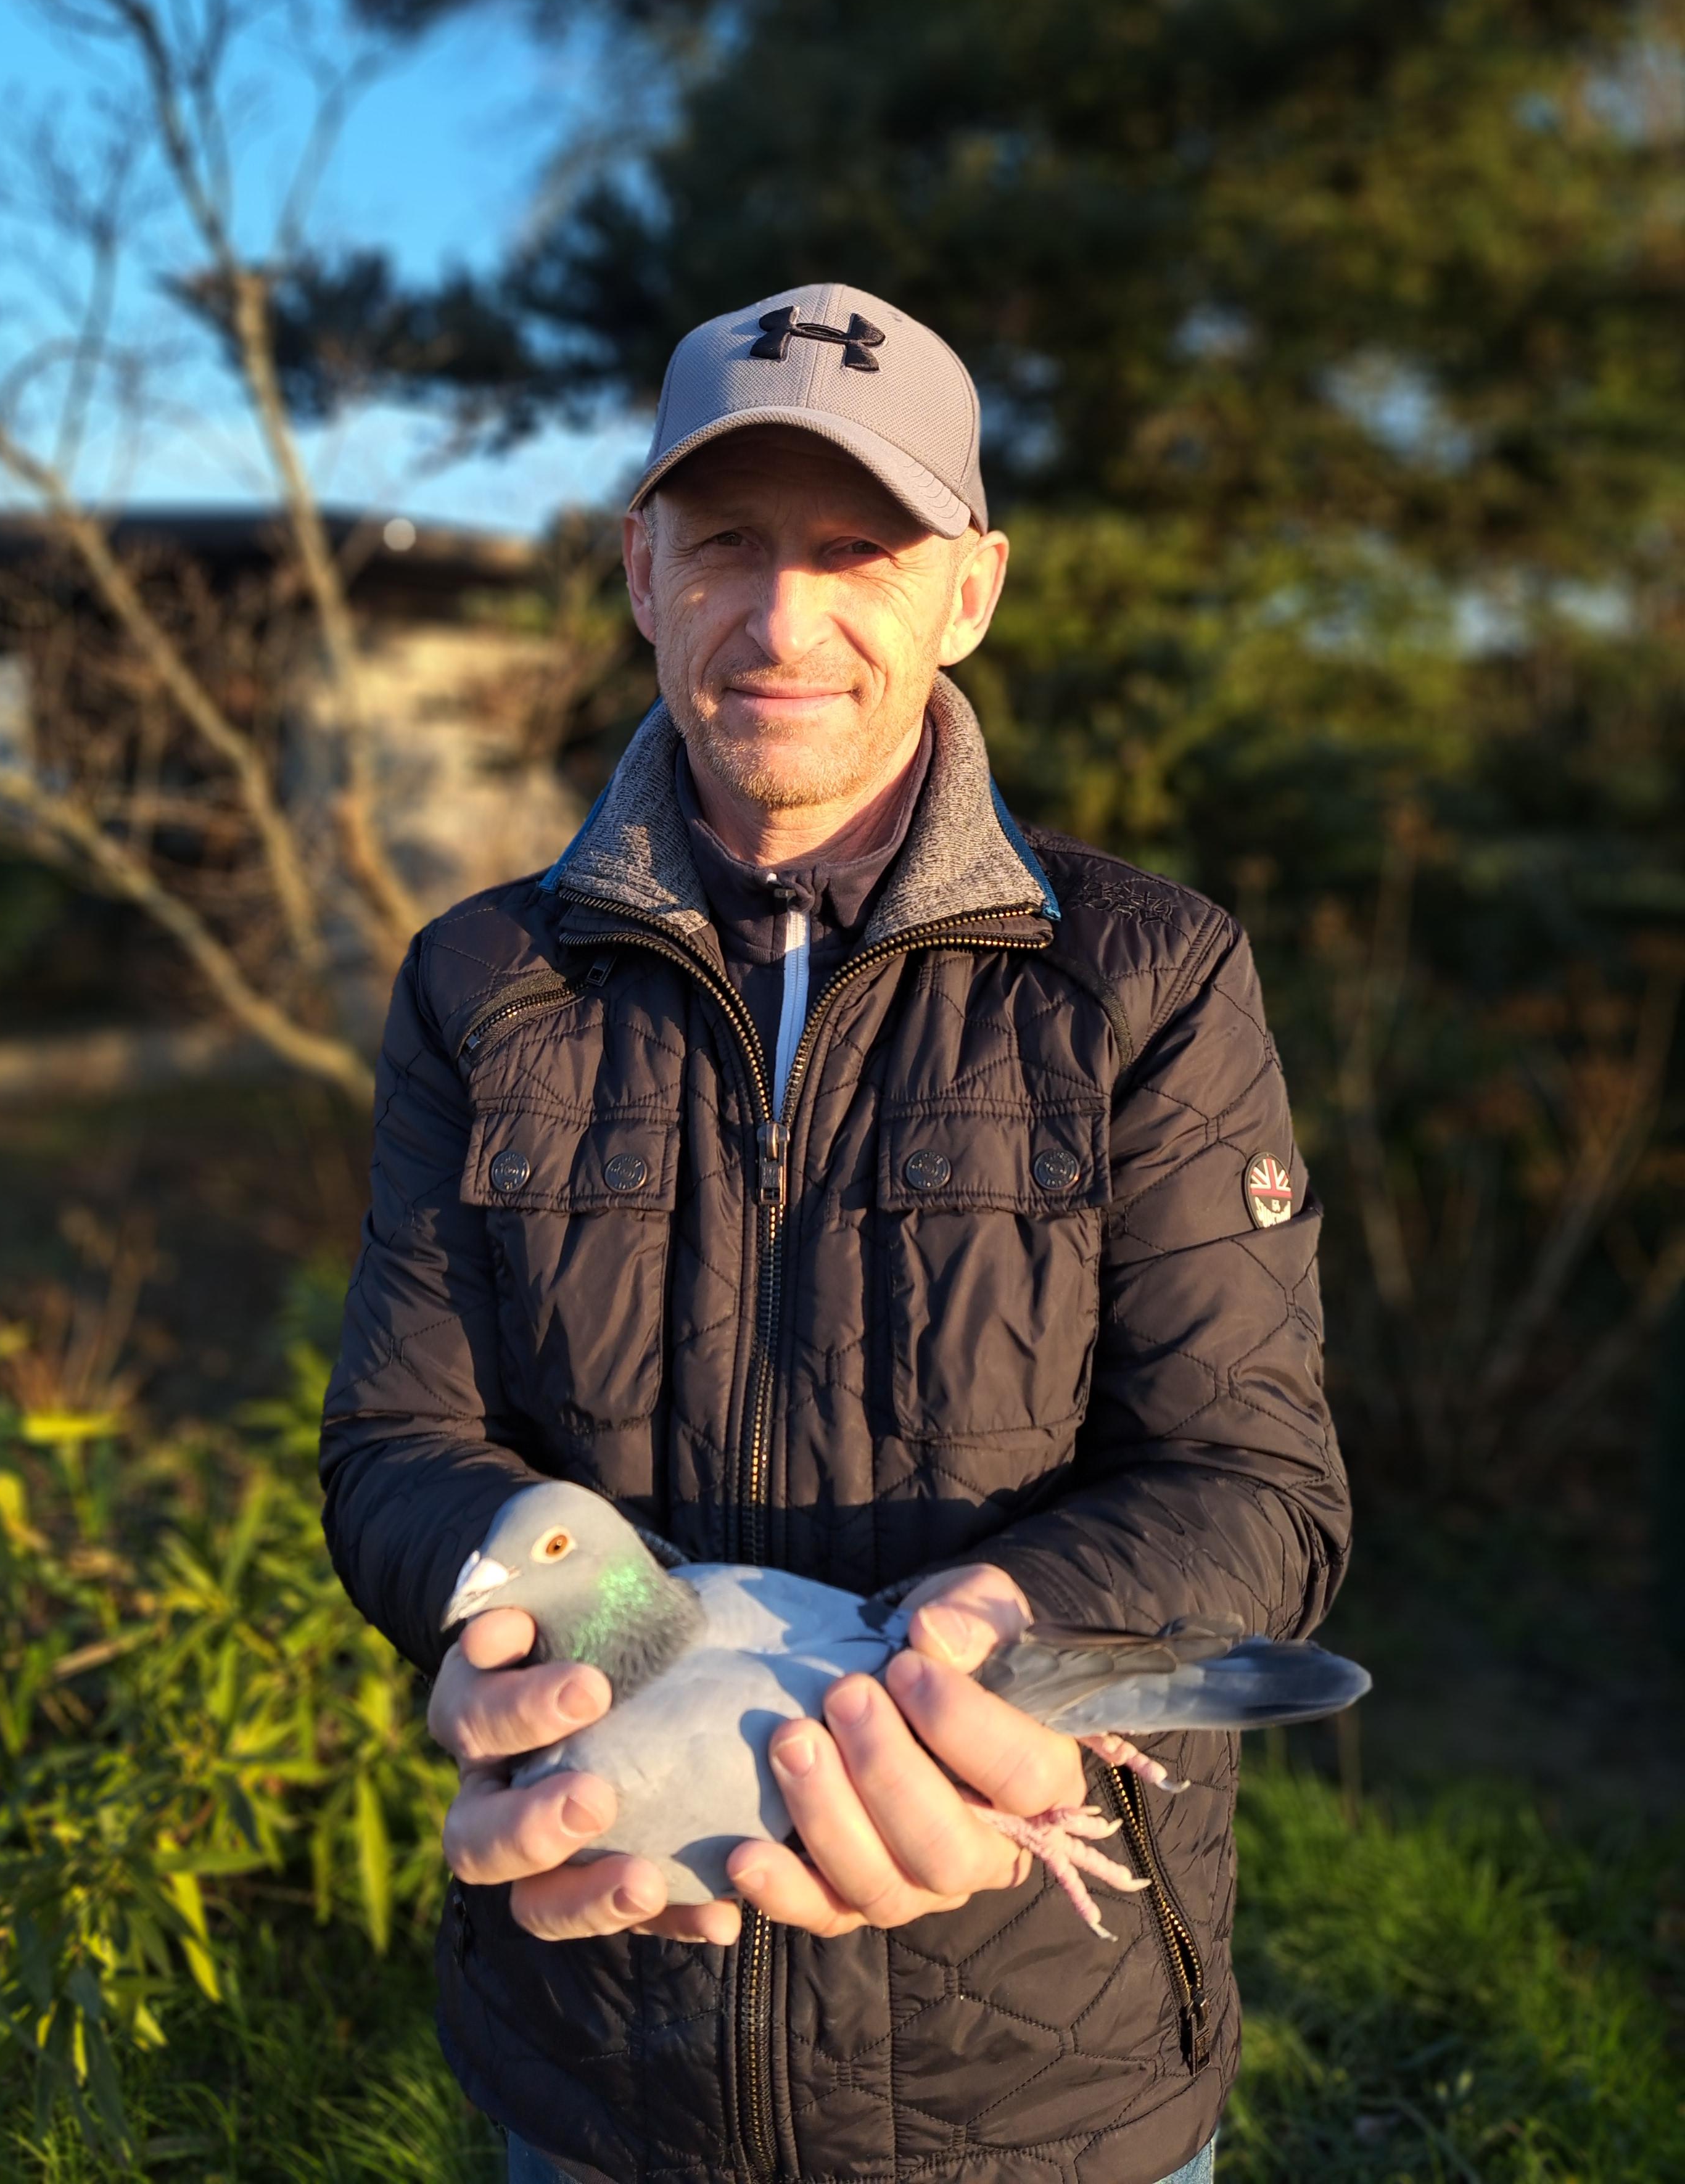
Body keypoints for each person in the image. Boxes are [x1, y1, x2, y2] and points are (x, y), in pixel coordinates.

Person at [320, 284, 1351, 2184]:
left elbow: (1258, 1493)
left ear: (970, 589)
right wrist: (560, 1615)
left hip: (1037, 2080)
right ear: (642, 572)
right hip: (602, 2044)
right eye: (727, 545)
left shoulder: (1143, 982)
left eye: (857, 547)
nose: (783, 620)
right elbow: (398, 1450)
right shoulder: (484, 983)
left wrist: (997, 1641)